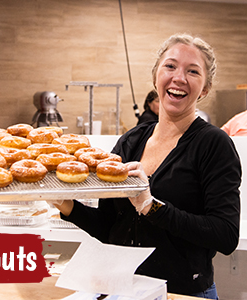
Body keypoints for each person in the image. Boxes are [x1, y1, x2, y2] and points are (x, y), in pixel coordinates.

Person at [51, 34, 241, 299]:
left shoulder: (213, 144)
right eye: (170, 66)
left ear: (205, 88)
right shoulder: (131, 141)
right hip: (123, 290)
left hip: (181, 294)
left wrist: (151, 207)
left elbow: (226, 235)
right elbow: (109, 227)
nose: (179, 78)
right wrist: (65, 204)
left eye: (193, 71)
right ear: (156, 77)